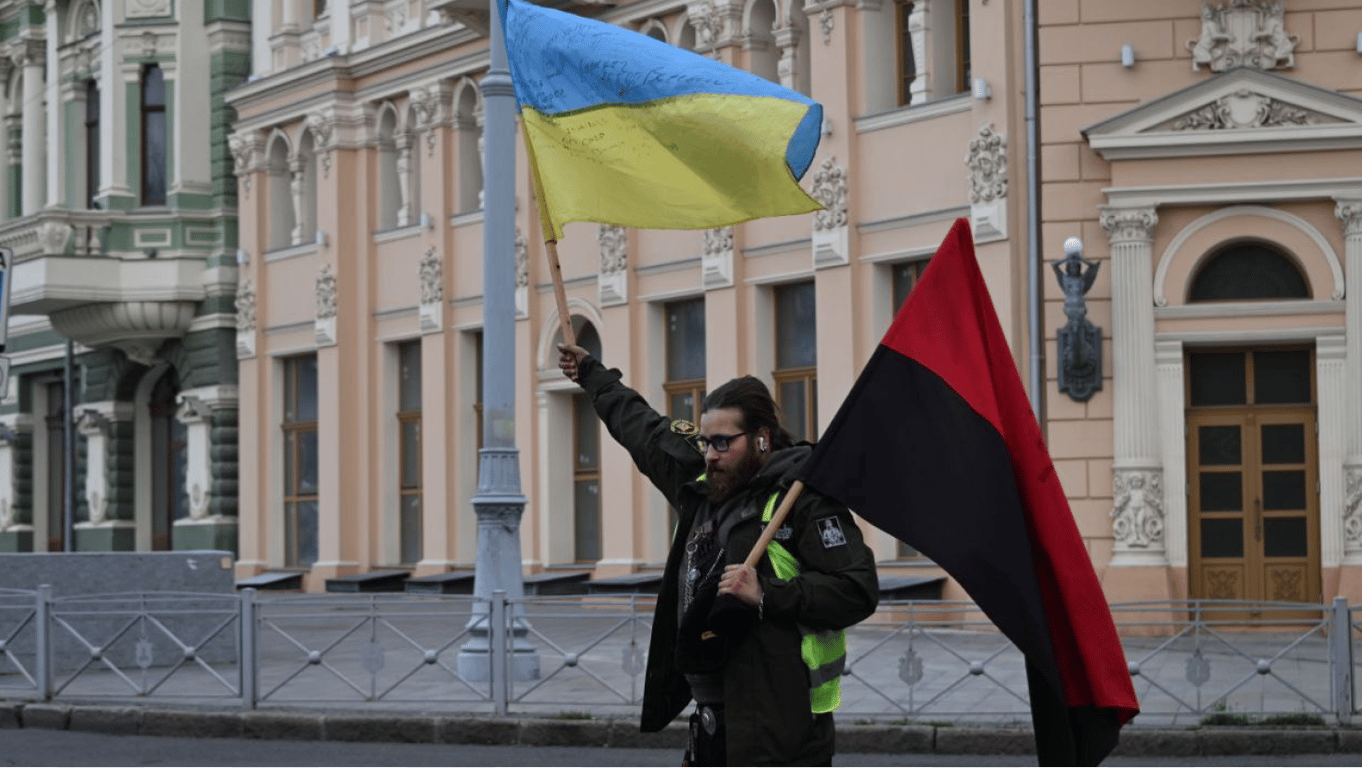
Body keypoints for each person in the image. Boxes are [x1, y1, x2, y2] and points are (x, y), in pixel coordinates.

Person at [558, 342, 879, 766]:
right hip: (710, 726)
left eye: (723, 442)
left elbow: (857, 588)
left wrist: (766, 593)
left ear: (762, 438)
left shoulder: (803, 498)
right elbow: (642, 428)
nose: (710, 454)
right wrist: (590, 374)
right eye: (706, 441)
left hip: (778, 731)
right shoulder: (703, 481)